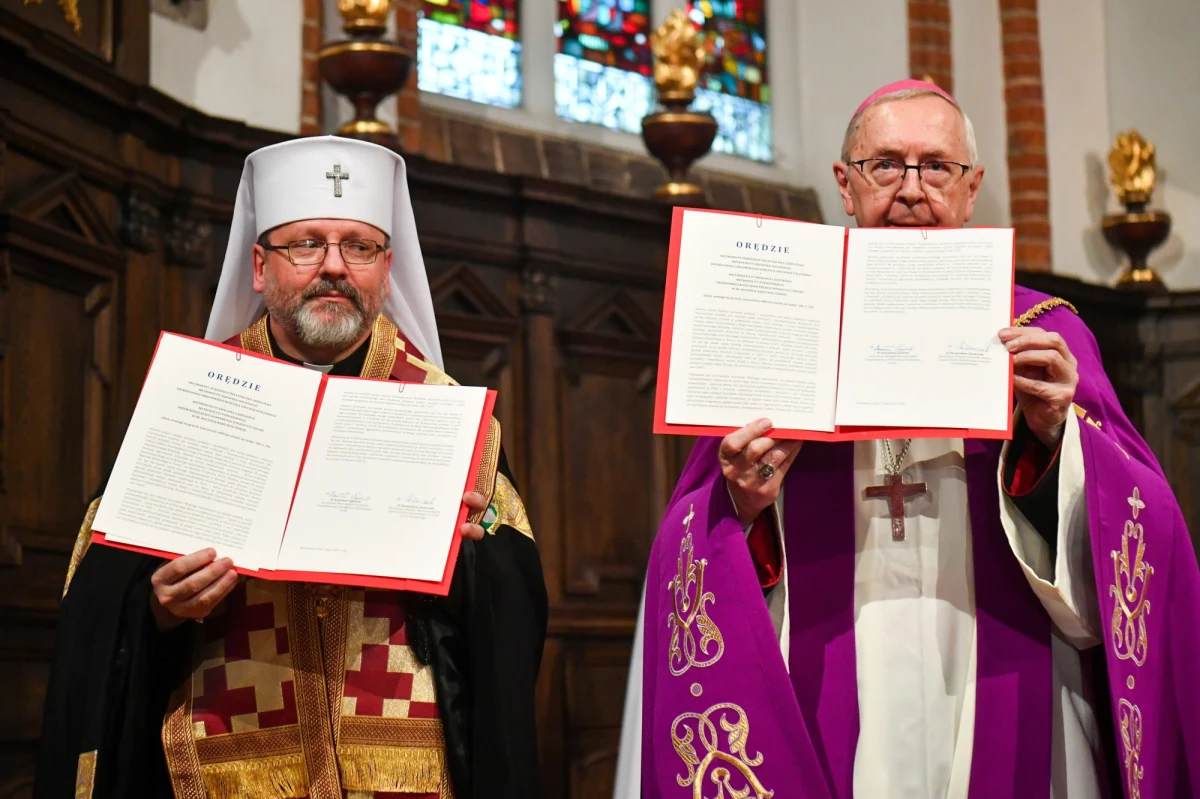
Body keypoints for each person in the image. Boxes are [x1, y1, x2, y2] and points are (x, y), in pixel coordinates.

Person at [620, 80, 1200, 799]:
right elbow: (692, 537)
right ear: (845, 182)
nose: (911, 189)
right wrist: (743, 502)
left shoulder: (1044, 334)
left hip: (1008, 677)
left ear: (971, 186)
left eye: (937, 167)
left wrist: (1055, 441)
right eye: (886, 165)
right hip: (829, 672)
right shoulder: (780, 327)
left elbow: (1150, 526)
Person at [35, 137, 548, 799]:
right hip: (225, 771)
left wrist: (467, 565)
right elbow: (97, 605)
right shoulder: (196, 398)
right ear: (259, 265)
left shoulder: (443, 412)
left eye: (358, 246)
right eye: (306, 243)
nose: (332, 266)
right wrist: (158, 608)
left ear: (386, 268)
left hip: (404, 776)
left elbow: (519, 612)